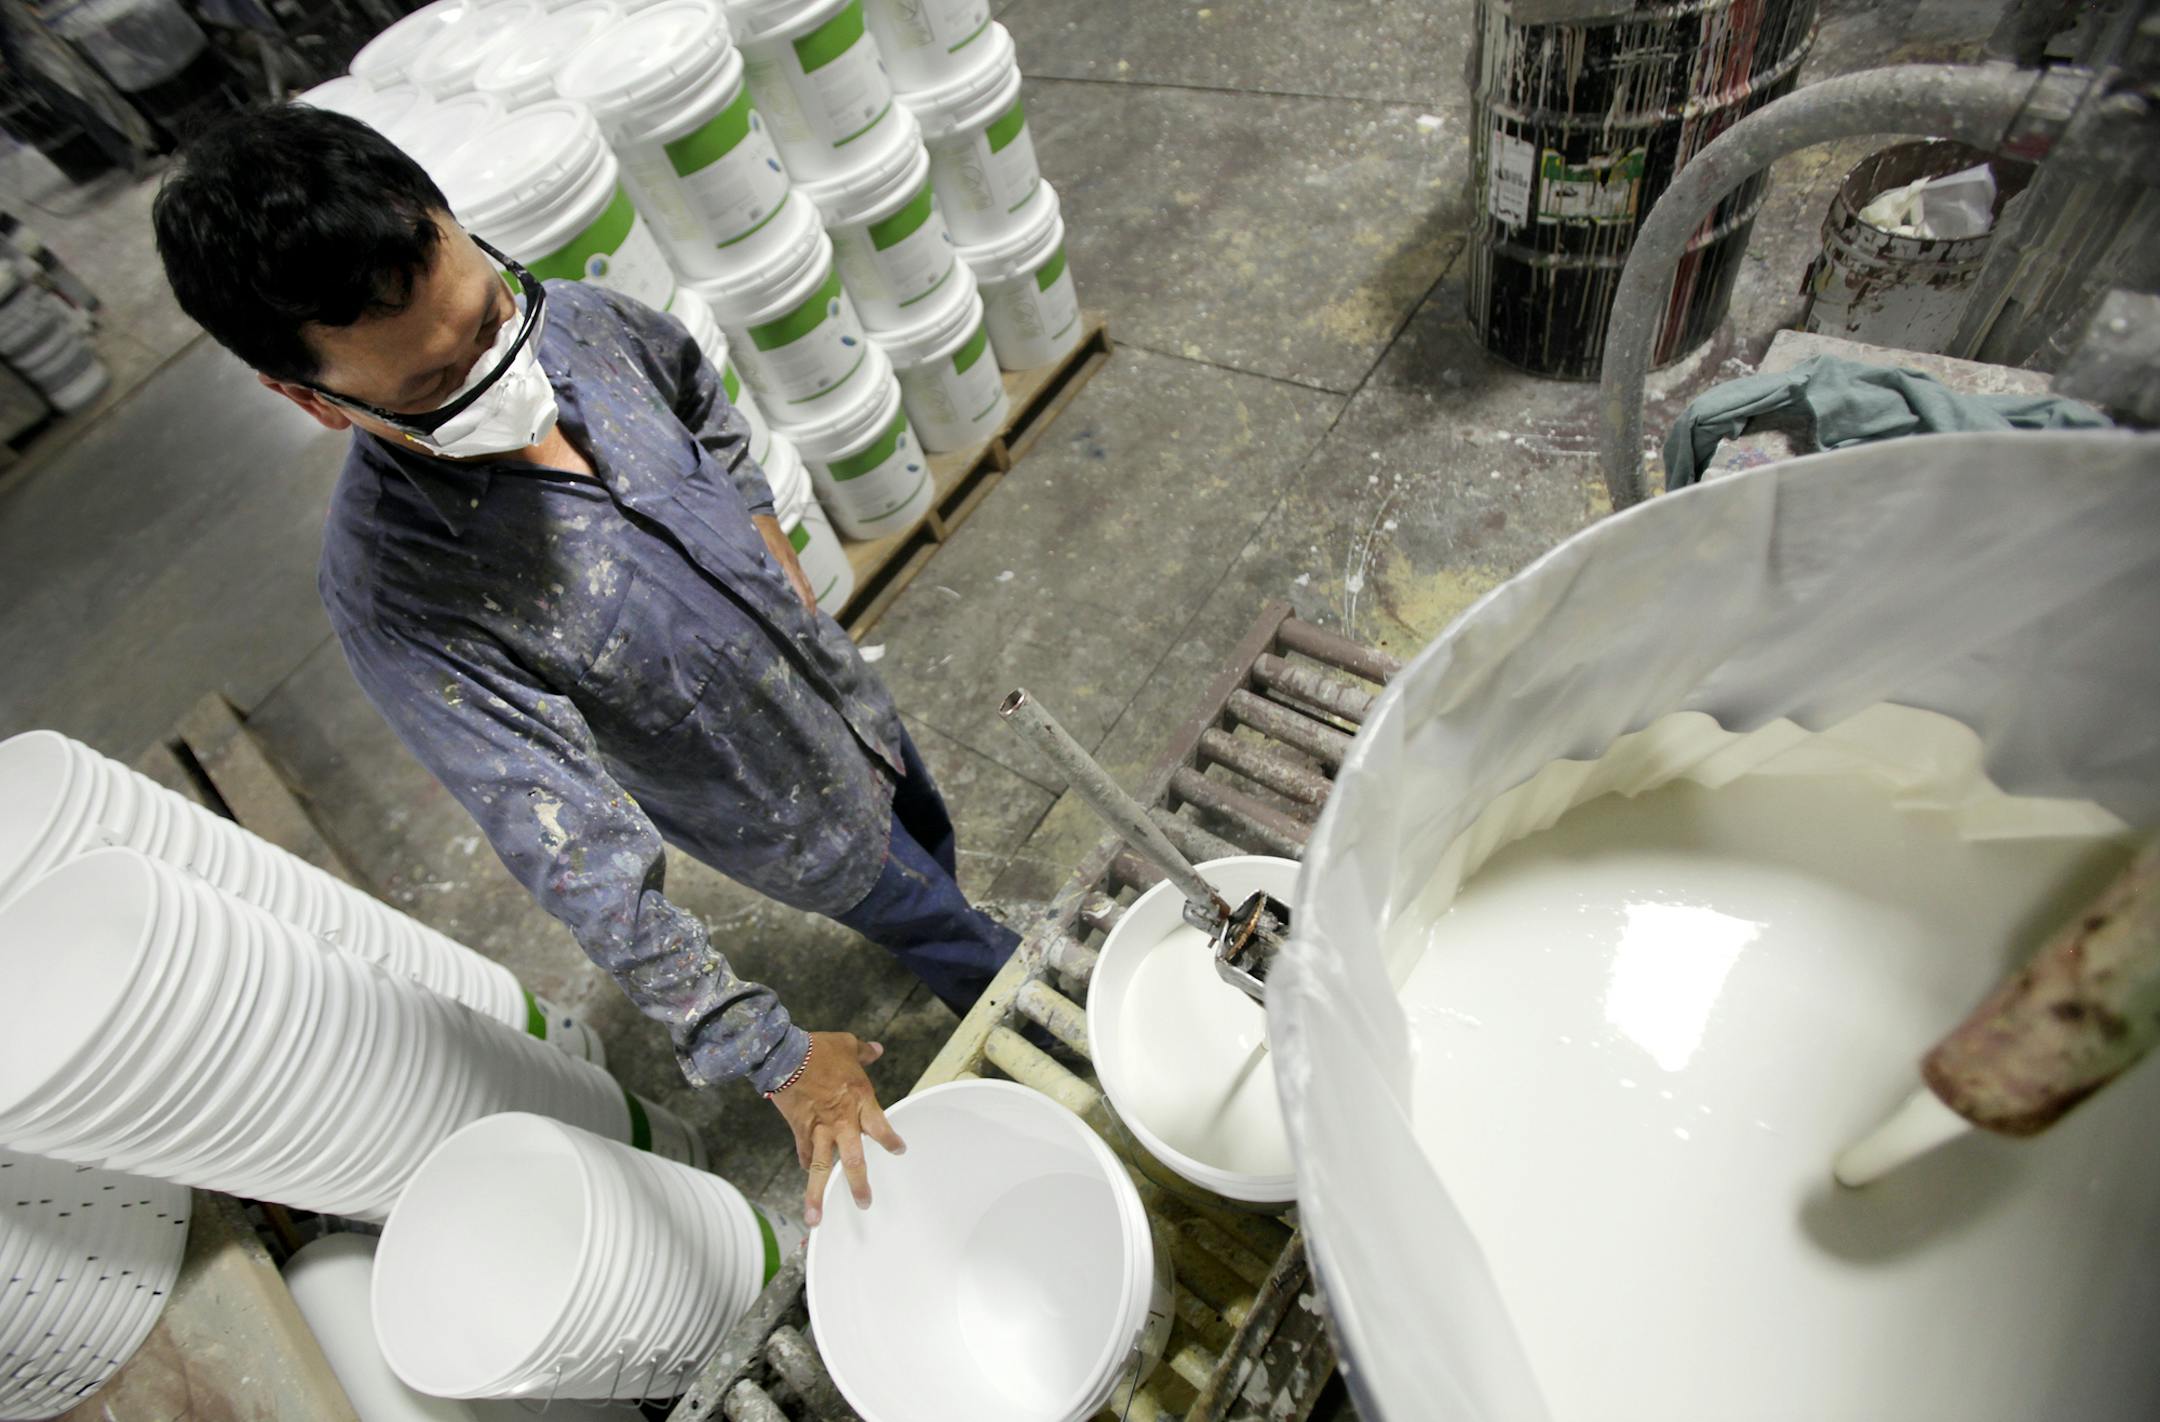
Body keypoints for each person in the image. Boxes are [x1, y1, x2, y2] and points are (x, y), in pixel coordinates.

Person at [150, 105, 1020, 1225]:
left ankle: (947, 905)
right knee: (928, 912)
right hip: (782, 813)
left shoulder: (580, 327)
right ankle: (994, 977)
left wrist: (772, 558)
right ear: (310, 398)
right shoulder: (400, 595)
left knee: (926, 828)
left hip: (841, 690)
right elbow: (578, 861)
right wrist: (769, 1051)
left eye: (488, 317)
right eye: (432, 386)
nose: (500, 372)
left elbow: (698, 395)